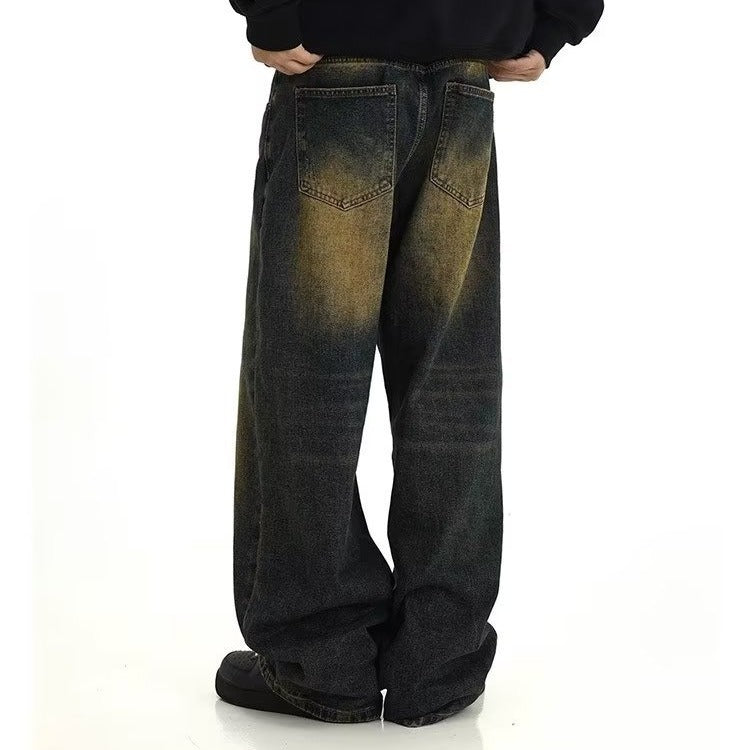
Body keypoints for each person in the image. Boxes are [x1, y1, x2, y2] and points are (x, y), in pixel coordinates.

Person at [214, 0, 604, 729]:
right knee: (451, 385)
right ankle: (439, 663)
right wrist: (556, 21)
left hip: (338, 71)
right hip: (463, 86)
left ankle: (321, 661)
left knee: (310, 377)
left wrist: (270, 10)